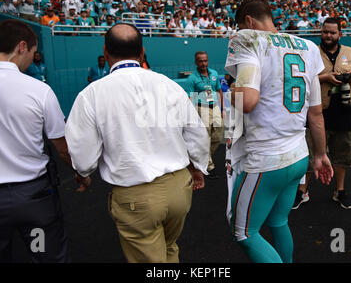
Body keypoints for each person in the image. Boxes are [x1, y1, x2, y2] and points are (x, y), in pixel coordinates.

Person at [65, 23, 209, 263]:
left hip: (135, 194)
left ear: (105, 52)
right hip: (178, 189)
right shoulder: (169, 85)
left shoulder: (90, 95)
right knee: (169, 248)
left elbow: (83, 157)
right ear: (142, 53)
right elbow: (196, 134)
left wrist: (84, 172)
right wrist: (198, 168)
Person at [224, 0, 333, 263]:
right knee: (278, 222)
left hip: (267, 158)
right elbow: (316, 114)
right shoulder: (307, 46)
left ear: (248, 21)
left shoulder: (247, 39)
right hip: (299, 154)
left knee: (244, 233)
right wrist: (320, 155)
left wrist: (226, 94)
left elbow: (247, 101)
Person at [0, 19, 71, 262]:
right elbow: (62, 147)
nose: (32, 57)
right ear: (21, 47)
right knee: (44, 253)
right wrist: (81, 172)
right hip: (33, 200)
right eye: (32, 51)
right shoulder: (38, 90)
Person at [293, 17, 351, 210]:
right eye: (325, 31)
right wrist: (325, 77)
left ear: (340, 34)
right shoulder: (312, 52)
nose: (328, 35)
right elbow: (301, 78)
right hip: (317, 113)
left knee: (342, 156)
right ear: (321, 32)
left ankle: (339, 191)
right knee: (309, 155)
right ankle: (302, 191)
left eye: (332, 32)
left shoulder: (349, 52)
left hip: (345, 113)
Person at [185, 51, 224, 179]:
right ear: (196, 62)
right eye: (200, 61)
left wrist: (222, 108)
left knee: (218, 135)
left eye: (205, 60)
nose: (203, 63)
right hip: (202, 108)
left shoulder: (214, 73)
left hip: (216, 107)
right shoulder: (192, 78)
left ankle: (204, 157)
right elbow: (190, 98)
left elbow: (218, 90)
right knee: (205, 137)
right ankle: (209, 165)